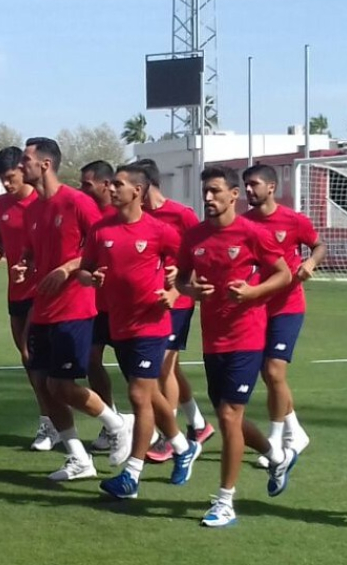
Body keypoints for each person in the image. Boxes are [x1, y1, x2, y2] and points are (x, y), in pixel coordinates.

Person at [176, 165, 298, 528]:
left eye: (216, 191)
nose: (209, 198)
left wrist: (253, 292)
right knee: (232, 419)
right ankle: (276, 455)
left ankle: (224, 501)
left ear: (234, 195)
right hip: (213, 339)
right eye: (205, 192)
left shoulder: (251, 233)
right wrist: (191, 291)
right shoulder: (194, 237)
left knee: (229, 417)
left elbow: (284, 273)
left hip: (247, 336)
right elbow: (182, 279)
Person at [77, 165, 202, 499]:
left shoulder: (160, 231)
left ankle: (131, 475)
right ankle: (182, 446)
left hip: (152, 323)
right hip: (120, 324)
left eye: (118, 184)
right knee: (150, 394)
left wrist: (175, 293)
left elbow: (189, 270)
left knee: (137, 395)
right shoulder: (101, 230)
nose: (112, 189)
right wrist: (92, 279)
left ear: (138, 191)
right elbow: (84, 272)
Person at [14, 137, 133, 481]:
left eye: (26, 160)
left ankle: (116, 423)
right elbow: (34, 252)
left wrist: (67, 269)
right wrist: (26, 263)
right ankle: (79, 458)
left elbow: (100, 247)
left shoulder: (77, 202)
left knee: (63, 385)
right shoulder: (34, 209)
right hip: (43, 308)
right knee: (43, 385)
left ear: (45, 165)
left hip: (74, 308)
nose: (22, 166)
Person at [241, 164, 325, 469]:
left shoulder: (293, 220)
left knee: (274, 373)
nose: (249, 190)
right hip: (256, 306)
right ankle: (296, 431)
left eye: (254, 184)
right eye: (245, 185)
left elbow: (318, 245)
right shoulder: (244, 223)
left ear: (271, 187)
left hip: (287, 306)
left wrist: (311, 262)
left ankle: (275, 442)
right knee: (269, 375)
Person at [133, 159, 214, 463]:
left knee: (162, 366)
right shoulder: (139, 216)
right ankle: (198, 424)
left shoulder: (181, 215)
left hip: (178, 300)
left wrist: (181, 276)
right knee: (171, 367)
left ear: (146, 185)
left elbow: (201, 250)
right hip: (151, 303)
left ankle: (170, 437)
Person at [0, 146, 55, 450]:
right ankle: (51, 420)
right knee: (28, 361)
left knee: (32, 355)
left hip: (39, 290)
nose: (6, 183)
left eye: (11, 177)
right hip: (14, 290)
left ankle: (50, 422)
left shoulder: (40, 203)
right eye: (2, 178)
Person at [78, 159, 120, 452]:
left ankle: (163, 431)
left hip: (126, 308)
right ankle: (112, 421)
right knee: (91, 361)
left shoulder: (122, 215)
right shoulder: (89, 217)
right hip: (95, 305)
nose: (82, 190)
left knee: (141, 377)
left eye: (87, 184)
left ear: (106, 185)